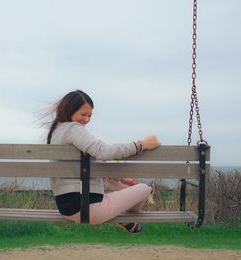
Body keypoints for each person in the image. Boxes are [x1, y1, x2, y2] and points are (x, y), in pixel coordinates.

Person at [47, 90, 161, 233]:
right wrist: (141, 145)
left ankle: (126, 218)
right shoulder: (73, 129)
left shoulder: (57, 131)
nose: (87, 119)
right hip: (86, 208)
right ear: (69, 110)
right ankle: (125, 218)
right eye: (83, 114)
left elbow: (85, 167)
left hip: (68, 207)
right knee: (145, 188)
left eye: (90, 115)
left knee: (130, 190)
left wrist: (119, 179)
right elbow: (103, 151)